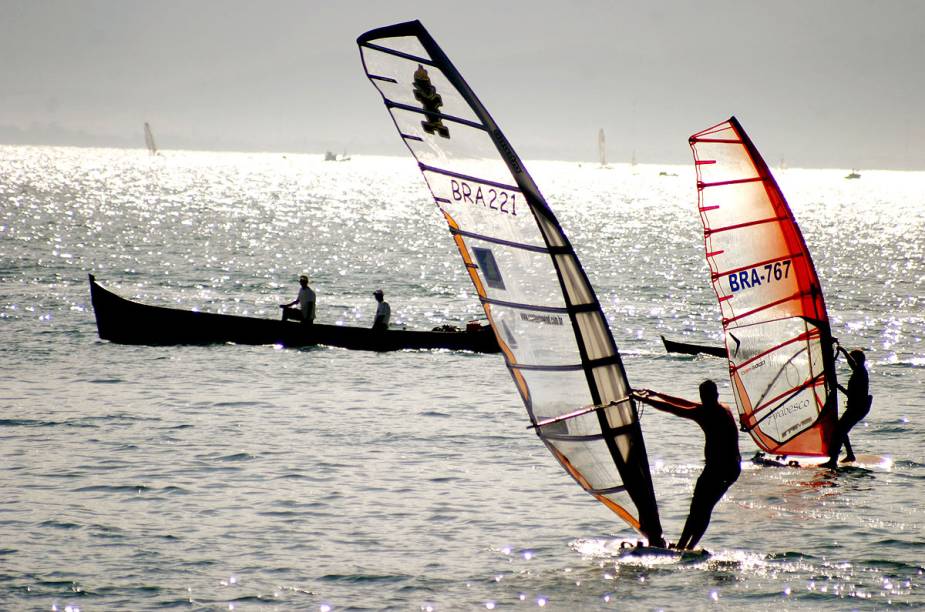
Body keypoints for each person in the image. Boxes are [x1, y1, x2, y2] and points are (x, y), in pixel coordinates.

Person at [632, 380, 741, 550]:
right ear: (716, 395)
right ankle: (686, 546)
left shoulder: (704, 412)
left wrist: (644, 400)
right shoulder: (723, 407)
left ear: (705, 396)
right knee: (702, 508)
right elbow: (686, 404)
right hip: (732, 468)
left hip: (718, 470)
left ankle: (685, 547)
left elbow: (674, 409)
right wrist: (658, 395)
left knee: (700, 508)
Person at [822, 347, 871, 468]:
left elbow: (853, 363)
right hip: (856, 407)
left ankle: (833, 461)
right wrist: (836, 386)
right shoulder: (858, 372)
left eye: (852, 359)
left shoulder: (860, 371)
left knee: (839, 431)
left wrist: (843, 351)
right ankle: (849, 455)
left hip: (858, 408)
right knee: (841, 429)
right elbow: (850, 394)